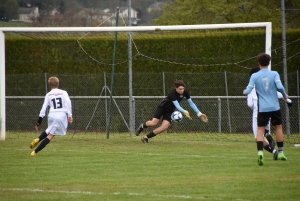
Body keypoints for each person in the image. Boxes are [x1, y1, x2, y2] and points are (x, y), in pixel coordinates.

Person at [243, 53, 289, 166]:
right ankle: (281, 152)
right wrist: (285, 96)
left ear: (259, 63)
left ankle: (260, 152)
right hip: (274, 107)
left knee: (259, 132)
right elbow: (280, 89)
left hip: (261, 110)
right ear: (269, 63)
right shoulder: (274, 74)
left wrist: (245, 92)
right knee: (278, 128)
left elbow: (249, 102)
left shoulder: (254, 78)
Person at [136, 80, 208, 143]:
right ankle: (142, 126)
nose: (182, 90)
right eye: (180, 89)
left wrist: (199, 114)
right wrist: (184, 111)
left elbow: (191, 103)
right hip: (162, 107)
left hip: (170, 111)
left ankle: (146, 138)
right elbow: (177, 105)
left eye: (183, 89)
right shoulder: (172, 94)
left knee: (164, 127)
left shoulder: (185, 92)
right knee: (153, 123)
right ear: (176, 88)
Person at [29, 77, 73, 156]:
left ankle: (38, 139)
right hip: (61, 115)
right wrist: (70, 115)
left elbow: (43, 109)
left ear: (49, 85)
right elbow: (68, 102)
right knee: (51, 135)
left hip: (51, 115)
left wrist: (39, 122)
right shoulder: (64, 92)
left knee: (49, 130)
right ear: (58, 84)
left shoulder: (48, 94)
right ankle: (35, 152)